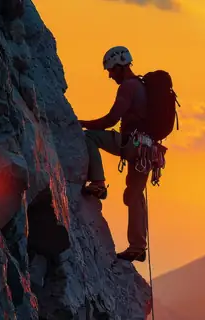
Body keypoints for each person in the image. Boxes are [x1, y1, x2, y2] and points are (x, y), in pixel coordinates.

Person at [78, 46, 149, 263]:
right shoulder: (142, 86)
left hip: (132, 145)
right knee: (134, 195)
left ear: (118, 66)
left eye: (110, 70)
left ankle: (98, 183)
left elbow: (111, 119)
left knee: (91, 137)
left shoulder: (127, 87)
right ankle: (137, 246)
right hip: (148, 150)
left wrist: (81, 124)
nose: (110, 76)